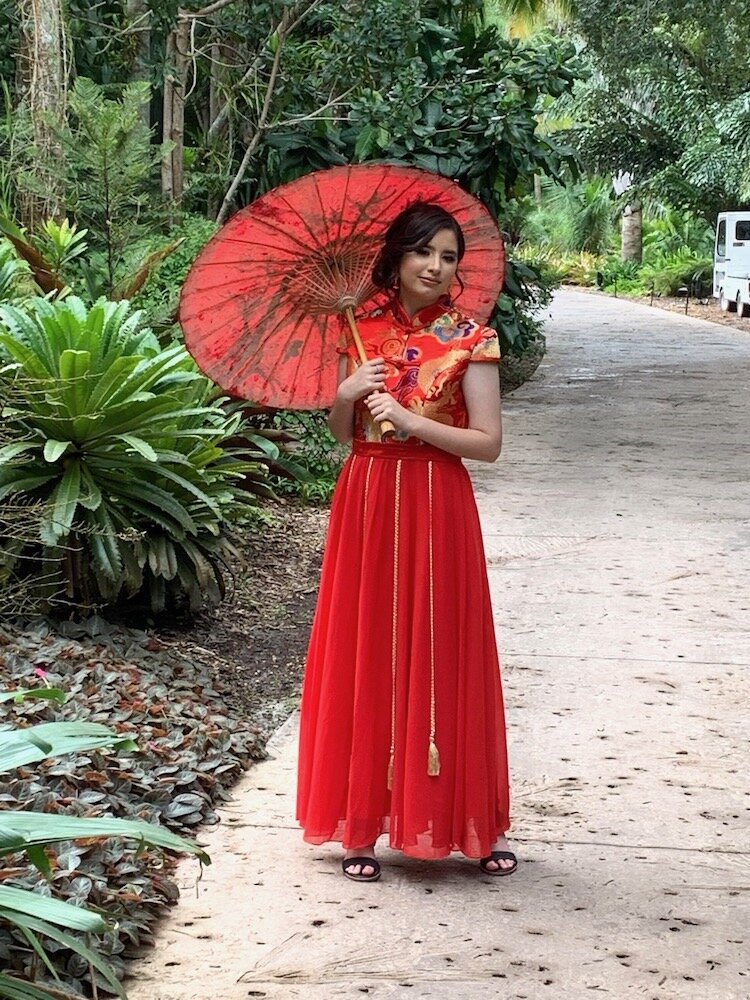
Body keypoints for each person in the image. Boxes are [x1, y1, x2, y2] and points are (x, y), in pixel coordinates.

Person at [296, 202, 514, 882]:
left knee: (446, 648)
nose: (436, 266)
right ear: (395, 258)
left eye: (449, 256)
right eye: (425, 252)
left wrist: (415, 423)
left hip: (436, 500)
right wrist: (347, 393)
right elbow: (342, 433)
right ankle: (359, 827)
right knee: (366, 649)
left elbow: (488, 445)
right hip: (367, 498)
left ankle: (471, 827)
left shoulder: (470, 336)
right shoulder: (358, 329)